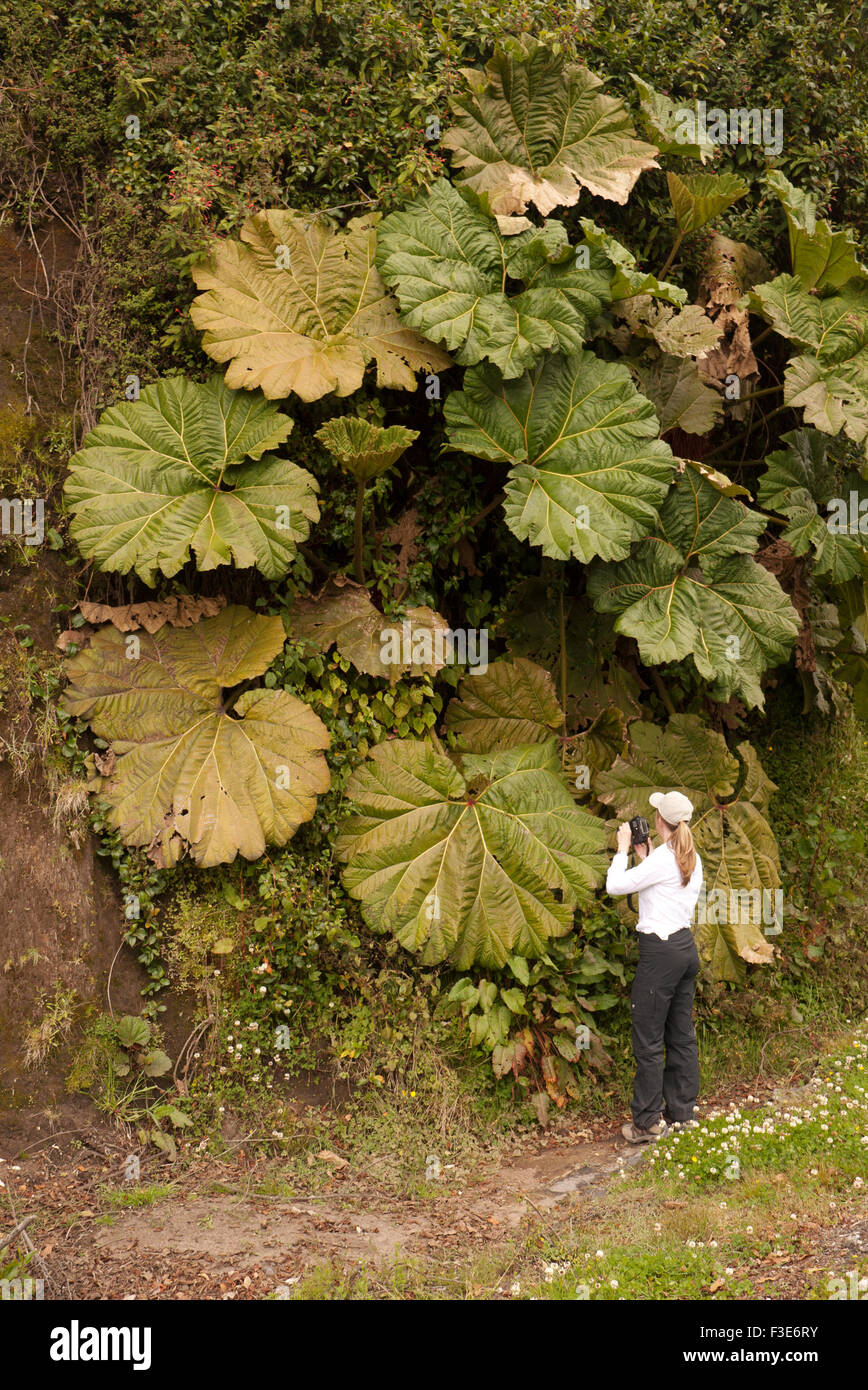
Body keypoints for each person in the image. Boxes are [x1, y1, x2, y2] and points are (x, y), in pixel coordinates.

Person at [606, 791, 704, 1145]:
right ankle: (682, 1112)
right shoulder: (689, 856)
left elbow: (615, 885)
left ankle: (647, 1122)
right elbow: (662, 887)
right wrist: (644, 857)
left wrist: (621, 849)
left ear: (659, 821)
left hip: (660, 954)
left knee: (648, 1038)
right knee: (680, 1033)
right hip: (683, 949)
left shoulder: (664, 860)